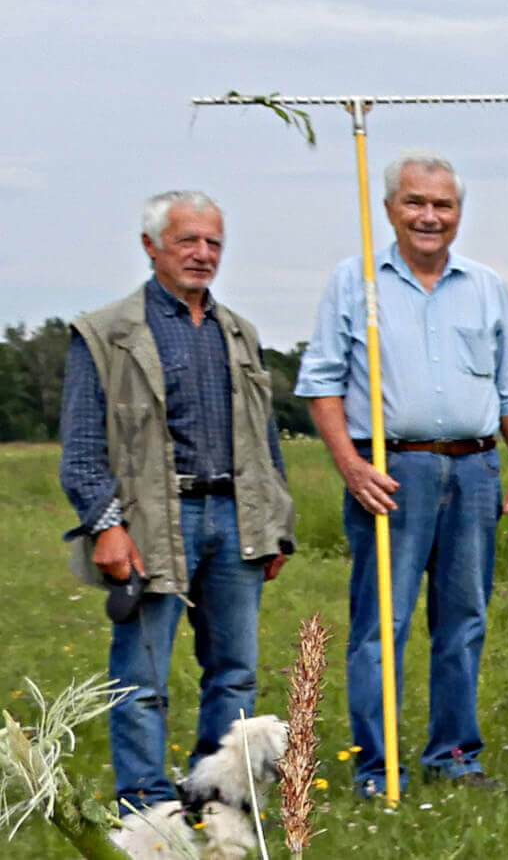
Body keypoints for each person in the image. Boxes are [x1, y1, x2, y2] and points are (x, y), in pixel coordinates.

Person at [296, 152, 508, 797]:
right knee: (383, 624)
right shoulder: (355, 283)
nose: (429, 217)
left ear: (459, 214)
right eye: (415, 202)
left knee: (463, 621)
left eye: (443, 205)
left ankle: (454, 755)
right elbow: (321, 384)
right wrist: (351, 465)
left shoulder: (486, 286)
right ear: (389, 210)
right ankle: (378, 768)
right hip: (390, 473)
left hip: (473, 468)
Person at [58, 190, 295, 817]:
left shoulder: (238, 332)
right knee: (141, 681)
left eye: (214, 242)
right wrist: (106, 527)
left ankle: (215, 796)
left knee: (235, 673)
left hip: (236, 521)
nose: (202, 254)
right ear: (150, 247)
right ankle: (146, 807)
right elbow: (81, 450)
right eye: (188, 240)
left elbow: (264, 440)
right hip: (152, 524)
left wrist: (277, 527)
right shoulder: (105, 334)